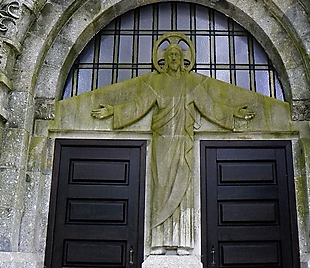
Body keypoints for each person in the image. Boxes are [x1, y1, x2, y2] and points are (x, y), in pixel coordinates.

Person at [91, 35, 254, 254]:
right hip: (162, 142)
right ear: (164, 60)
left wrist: (233, 113)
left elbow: (210, 106)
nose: (174, 58)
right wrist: (114, 111)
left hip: (183, 142)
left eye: (177, 55)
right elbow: (139, 105)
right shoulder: (156, 83)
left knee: (183, 186)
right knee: (160, 187)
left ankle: (183, 242)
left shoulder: (191, 83)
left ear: (184, 59)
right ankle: (158, 241)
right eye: (170, 55)